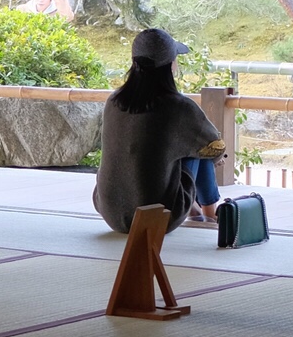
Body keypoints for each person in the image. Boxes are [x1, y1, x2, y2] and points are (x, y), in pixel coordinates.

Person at [93, 27, 225, 234]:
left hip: (111, 212)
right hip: (158, 215)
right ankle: (210, 213)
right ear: (171, 65)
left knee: (184, 148)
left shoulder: (114, 101)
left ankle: (198, 212)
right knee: (201, 148)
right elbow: (215, 147)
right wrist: (216, 157)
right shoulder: (179, 106)